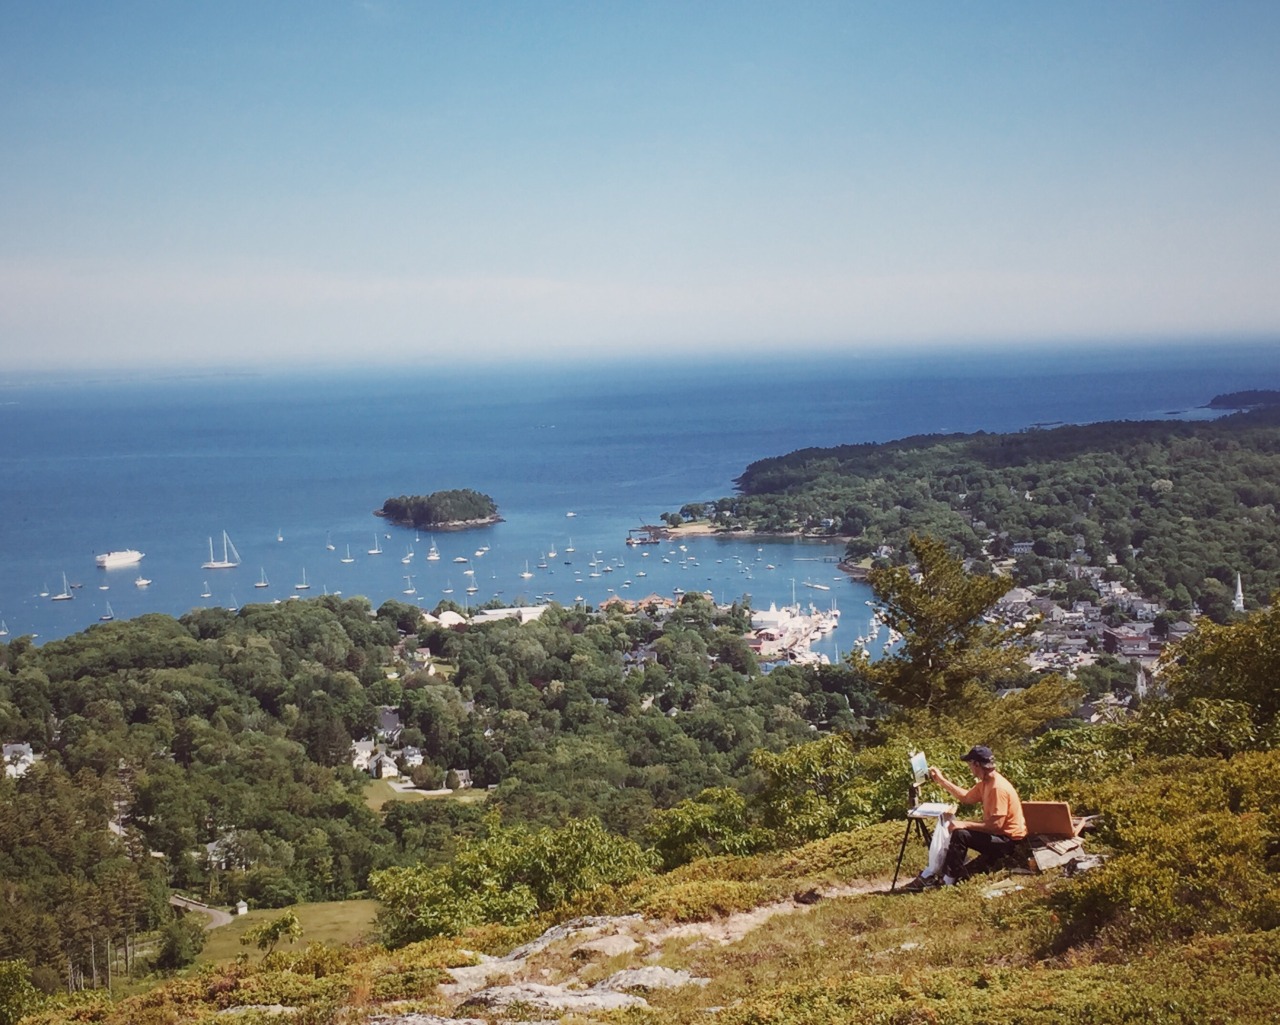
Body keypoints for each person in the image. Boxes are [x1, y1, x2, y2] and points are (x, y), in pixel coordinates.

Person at [904, 745, 1026, 890]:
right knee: (960, 831)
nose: (969, 768)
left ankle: (948, 880)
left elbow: (996, 826)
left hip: (1009, 842)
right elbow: (966, 797)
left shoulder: (997, 788)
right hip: (1000, 836)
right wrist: (942, 781)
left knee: (961, 834)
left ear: (976, 764)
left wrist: (964, 824)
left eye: (970, 764)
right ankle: (945, 875)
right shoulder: (986, 783)